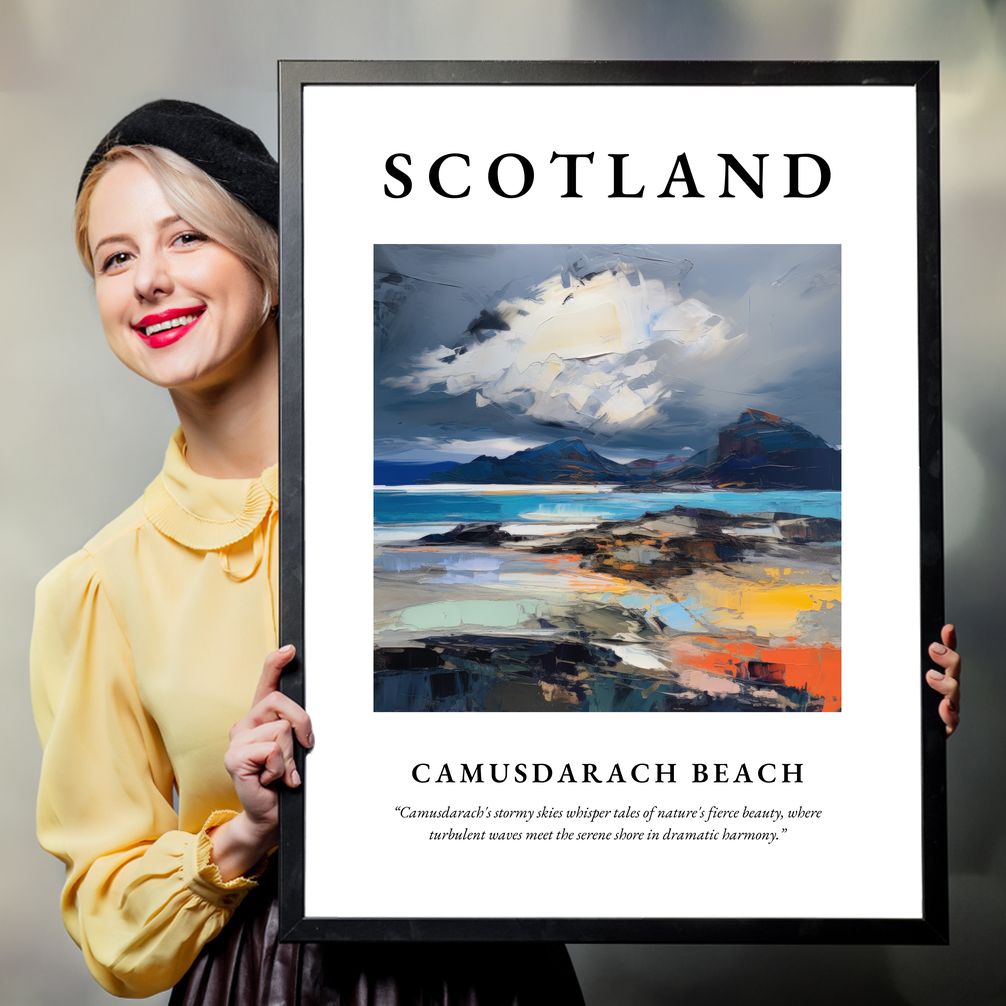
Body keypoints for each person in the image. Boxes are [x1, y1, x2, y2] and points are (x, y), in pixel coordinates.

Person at [30, 100, 586, 1004]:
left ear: (273, 264)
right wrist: (245, 832)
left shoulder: (439, 505)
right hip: (263, 982)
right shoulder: (97, 587)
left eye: (185, 239)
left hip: (492, 973)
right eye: (116, 257)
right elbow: (110, 924)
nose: (148, 281)